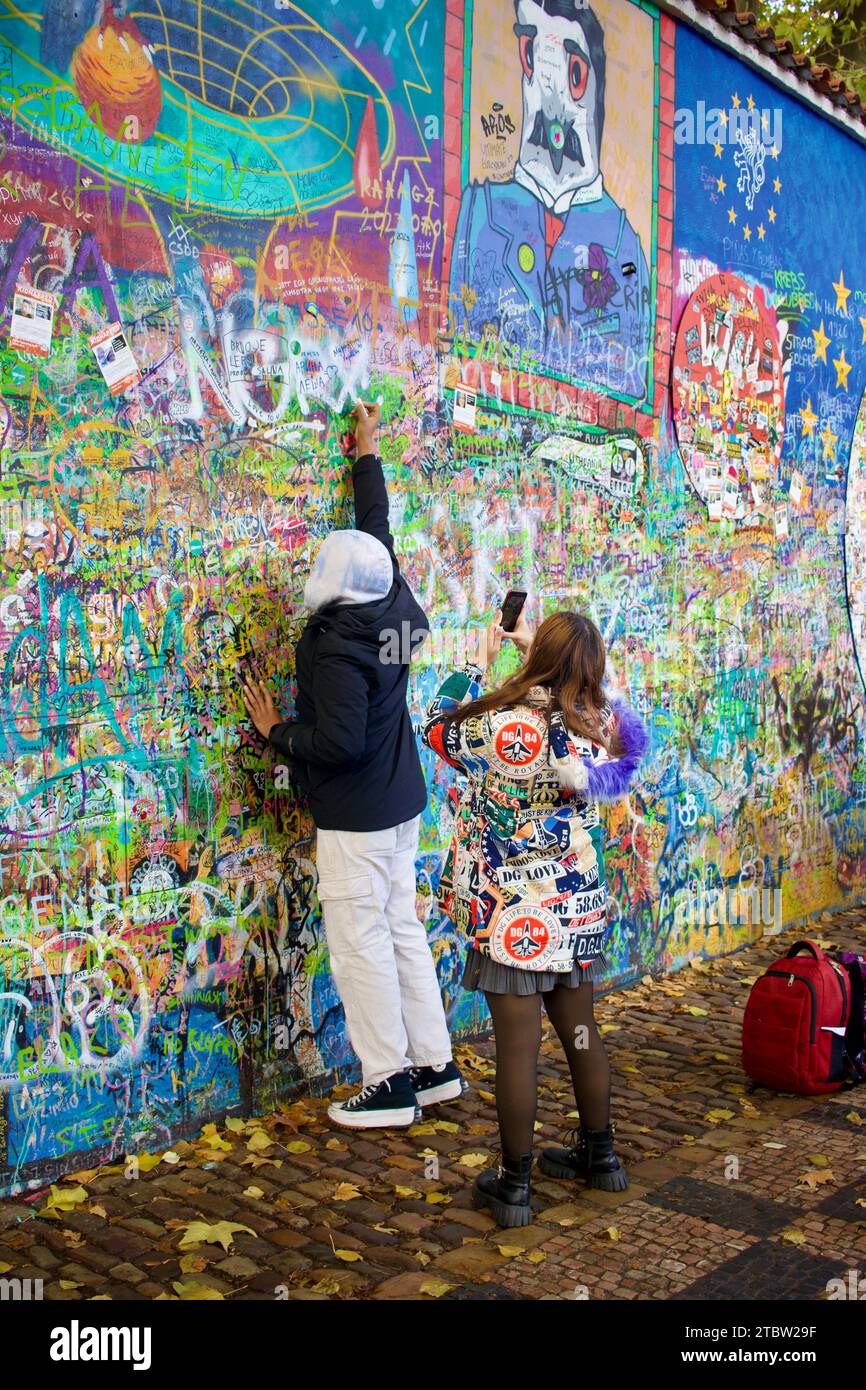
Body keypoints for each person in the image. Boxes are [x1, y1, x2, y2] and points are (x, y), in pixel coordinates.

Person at [242, 402, 464, 1128]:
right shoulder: (390, 604)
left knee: (361, 943)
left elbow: (339, 743)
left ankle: (387, 1085)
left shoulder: (338, 645)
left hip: (360, 814)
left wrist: (278, 732)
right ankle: (434, 1067)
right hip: (400, 803)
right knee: (400, 927)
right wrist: (366, 453)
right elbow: (378, 530)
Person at [422, 609, 647, 1226]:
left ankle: (515, 1186)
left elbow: (433, 727)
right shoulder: (595, 726)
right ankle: (602, 1160)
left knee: (517, 1050)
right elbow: (633, 733)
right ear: (592, 666)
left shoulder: (497, 726)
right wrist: (584, 677)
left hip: (510, 916)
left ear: (534, 656)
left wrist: (475, 663)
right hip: (575, 913)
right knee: (582, 1035)